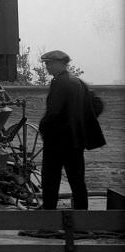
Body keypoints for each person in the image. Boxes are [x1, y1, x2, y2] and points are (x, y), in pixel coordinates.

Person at [38, 50, 105, 210]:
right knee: (77, 180)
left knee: (50, 178)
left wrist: (43, 128)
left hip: (57, 141)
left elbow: (53, 112)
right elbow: (97, 105)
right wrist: (81, 123)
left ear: (60, 64)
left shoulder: (59, 83)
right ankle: (82, 215)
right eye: (46, 64)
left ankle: (48, 216)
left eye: (49, 63)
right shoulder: (78, 82)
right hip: (76, 141)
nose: (47, 67)